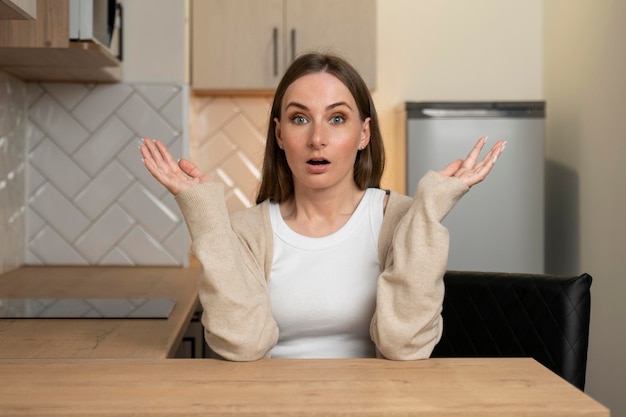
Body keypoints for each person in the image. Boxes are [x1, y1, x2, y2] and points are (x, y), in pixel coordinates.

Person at [139, 52, 505, 361]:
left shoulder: (400, 219)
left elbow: (405, 346)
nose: (317, 139)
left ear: (363, 133)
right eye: (300, 119)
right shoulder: (246, 231)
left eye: (336, 119)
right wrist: (207, 217)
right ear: (280, 134)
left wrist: (427, 209)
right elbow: (243, 345)